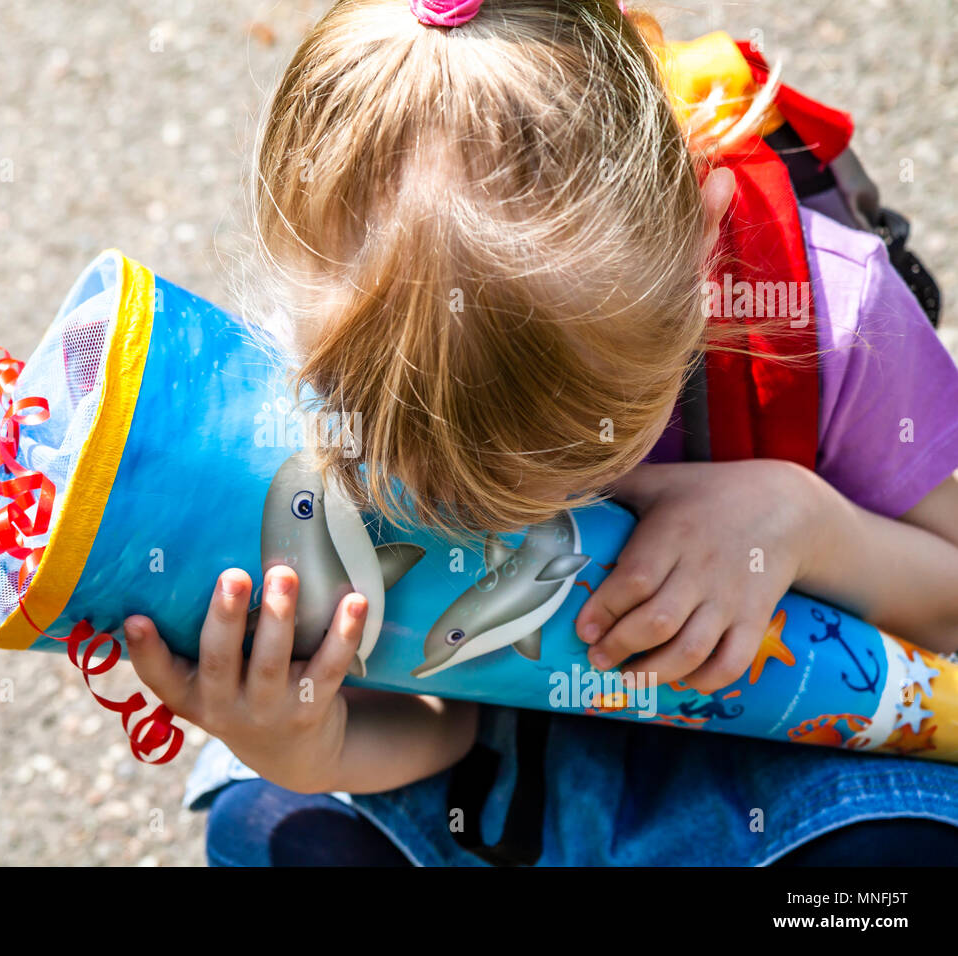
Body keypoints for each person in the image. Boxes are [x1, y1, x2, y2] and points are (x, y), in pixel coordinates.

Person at [124, 0, 958, 865]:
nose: (510, 517)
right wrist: (313, 746)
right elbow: (453, 707)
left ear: (705, 237)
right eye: (439, 483)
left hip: (783, 748)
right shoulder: (329, 360)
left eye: (578, 457)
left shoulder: (830, 317)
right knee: (272, 828)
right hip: (508, 757)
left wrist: (805, 523)